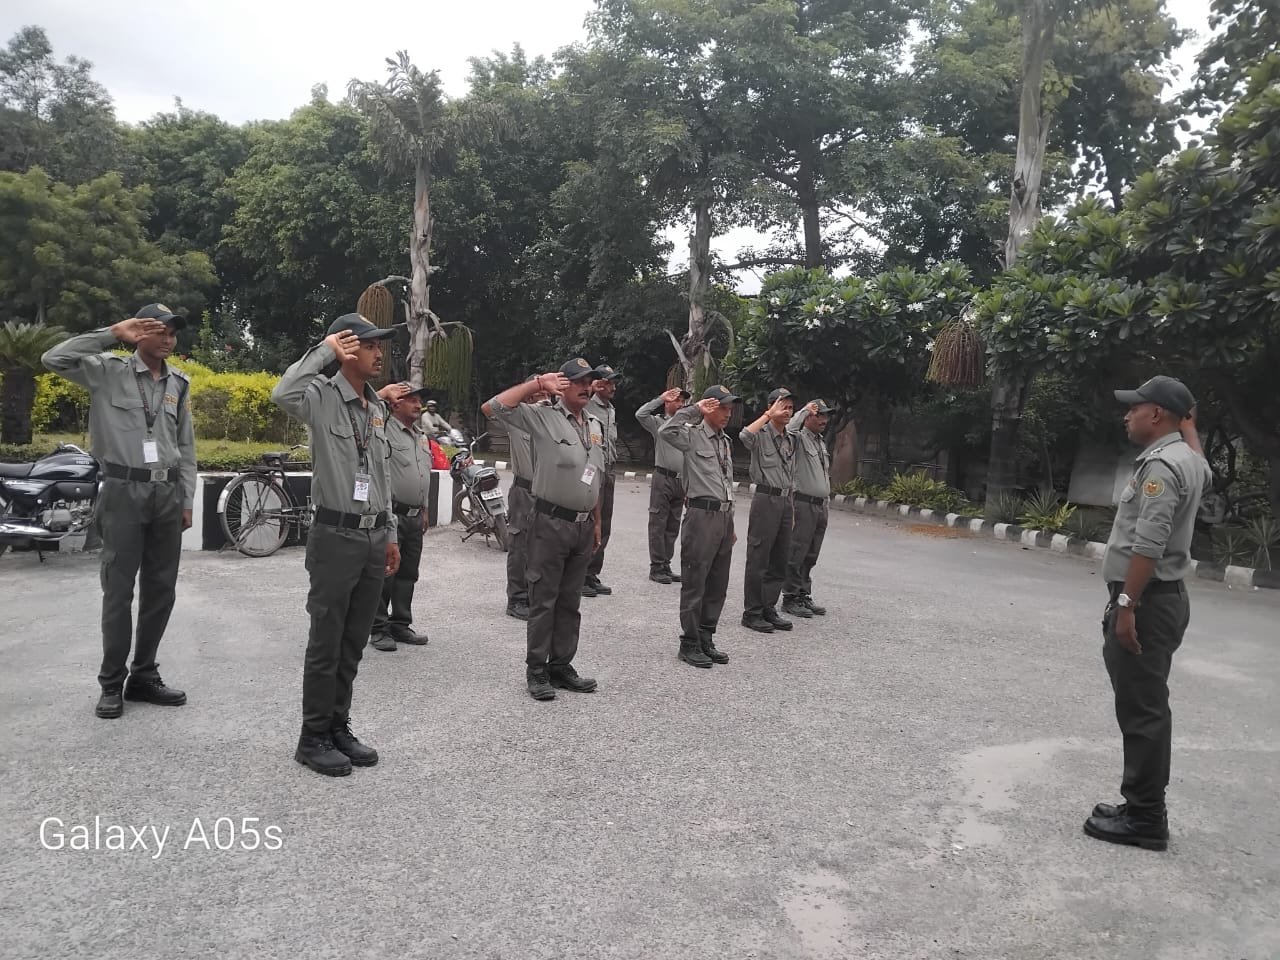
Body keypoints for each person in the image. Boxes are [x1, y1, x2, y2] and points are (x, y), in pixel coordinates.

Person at [42, 304, 197, 720]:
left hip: (166, 492)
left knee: (161, 589)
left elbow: (185, 446)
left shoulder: (179, 384)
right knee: (118, 590)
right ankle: (111, 683)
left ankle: (144, 675)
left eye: (172, 333)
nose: (167, 340)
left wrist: (186, 499)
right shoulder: (106, 371)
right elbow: (53, 358)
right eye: (159, 331)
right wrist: (111, 332)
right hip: (123, 490)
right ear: (139, 333)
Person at [1083, 375, 1210, 851]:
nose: (1127, 414)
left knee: (1142, 710)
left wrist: (1126, 606)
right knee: (1145, 704)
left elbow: (1148, 544)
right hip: (1165, 598)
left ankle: (1146, 818)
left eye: (1135, 407)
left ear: (1156, 414)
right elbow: (1203, 464)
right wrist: (1188, 420)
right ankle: (1139, 804)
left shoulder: (1161, 466)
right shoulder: (1189, 460)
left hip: (1148, 601)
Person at [271, 314, 400, 777]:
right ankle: (312, 737)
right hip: (335, 535)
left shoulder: (376, 408)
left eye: (380, 346)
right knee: (326, 641)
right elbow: (282, 393)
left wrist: (390, 533)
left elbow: (381, 475)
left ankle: (338, 726)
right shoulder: (322, 397)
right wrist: (325, 351)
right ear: (347, 348)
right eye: (369, 345)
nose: (379, 353)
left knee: (352, 642)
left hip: (372, 535)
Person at [482, 359, 605, 701]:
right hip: (550, 522)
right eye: (578, 381)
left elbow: (596, 474)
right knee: (544, 600)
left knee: (570, 601)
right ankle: (536, 669)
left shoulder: (594, 424)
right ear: (563, 385)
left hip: (582, 524)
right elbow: (492, 407)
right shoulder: (542, 416)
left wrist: (597, 522)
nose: (586, 386)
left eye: (590, 381)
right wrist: (537, 383)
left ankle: (561, 665)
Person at [659, 385, 741, 668]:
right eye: (722, 408)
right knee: (696, 581)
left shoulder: (725, 441)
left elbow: (726, 483)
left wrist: (730, 521)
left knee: (718, 584)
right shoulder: (692, 435)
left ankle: (706, 637)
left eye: (730, 409)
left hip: (723, 517)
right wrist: (693, 410)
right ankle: (690, 642)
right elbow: (665, 431)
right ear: (709, 407)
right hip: (700, 516)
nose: (727, 414)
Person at [369, 382, 434, 652]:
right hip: (391, 514)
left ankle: (400, 624)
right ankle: (378, 628)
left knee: (408, 574)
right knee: (386, 573)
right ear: (395, 404)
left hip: (415, 516)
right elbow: (362, 410)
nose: (419, 405)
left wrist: (425, 509)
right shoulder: (382, 429)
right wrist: (381, 396)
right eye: (412, 400)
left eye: (419, 400)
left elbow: (423, 473)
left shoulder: (420, 436)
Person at [739, 388, 796, 633]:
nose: (787, 411)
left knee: (779, 559)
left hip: (785, 501)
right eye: (783, 406)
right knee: (759, 557)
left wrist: (791, 508)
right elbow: (743, 435)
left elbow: (791, 475)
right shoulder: (760, 434)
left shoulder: (791, 438)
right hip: (765, 499)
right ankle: (752, 612)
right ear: (771, 407)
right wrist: (767, 416)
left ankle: (768, 607)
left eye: (791, 408)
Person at [503, 375, 550, 620]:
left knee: (542, 546)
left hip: (547, 493)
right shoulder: (516, 420)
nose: (545, 400)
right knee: (520, 546)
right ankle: (517, 598)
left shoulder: (551, 423)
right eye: (539, 395)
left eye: (547, 395)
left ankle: (534, 594)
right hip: (524, 491)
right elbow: (497, 403)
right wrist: (531, 385)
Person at [783, 400, 834, 618]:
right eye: (819, 415)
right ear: (808, 418)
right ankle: (790, 597)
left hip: (820, 506)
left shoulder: (820, 441)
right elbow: (789, 429)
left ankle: (803, 593)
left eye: (826, 415)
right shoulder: (799, 438)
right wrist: (804, 411)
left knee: (811, 553)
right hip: (803, 503)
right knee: (797, 551)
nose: (824, 420)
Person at [636, 386, 690, 584]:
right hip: (663, 477)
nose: (681, 404)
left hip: (681, 480)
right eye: (677, 400)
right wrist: (660, 398)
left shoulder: (686, 427)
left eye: (683, 401)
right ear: (668, 403)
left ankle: (666, 564)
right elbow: (640, 414)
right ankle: (656, 566)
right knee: (658, 523)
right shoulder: (658, 423)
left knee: (673, 525)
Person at [583, 364, 621, 598]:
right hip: (591, 468)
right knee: (590, 522)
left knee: (604, 523)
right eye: (608, 382)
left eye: (614, 383)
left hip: (609, 470)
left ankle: (592, 573)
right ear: (598, 384)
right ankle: (580, 574)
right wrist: (590, 389)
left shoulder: (611, 410)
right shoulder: (587, 403)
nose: (613, 387)